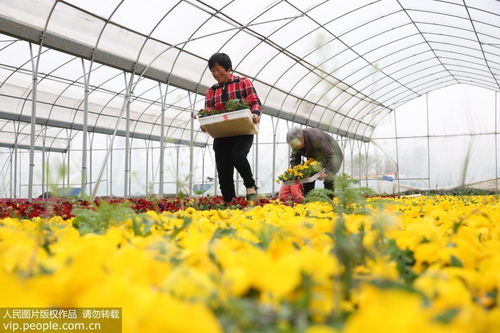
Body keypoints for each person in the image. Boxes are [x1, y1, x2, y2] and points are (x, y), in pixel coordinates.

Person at [205, 53, 262, 202]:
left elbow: (255, 102)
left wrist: (255, 114)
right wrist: (205, 124)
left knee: (237, 155)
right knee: (223, 170)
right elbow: (208, 111)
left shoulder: (243, 82)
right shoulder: (211, 91)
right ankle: (229, 203)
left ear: (228, 68)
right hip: (222, 134)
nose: (216, 74)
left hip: (242, 130)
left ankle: (250, 186)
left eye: (218, 69)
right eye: (213, 71)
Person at [286, 127, 343, 196]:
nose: (293, 147)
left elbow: (331, 155)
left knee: (328, 179)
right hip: (315, 158)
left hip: (333, 156)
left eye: (294, 144)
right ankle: (308, 199)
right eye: (292, 145)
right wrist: (294, 174)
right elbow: (295, 159)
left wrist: (327, 173)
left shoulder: (316, 137)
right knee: (307, 177)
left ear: (302, 139)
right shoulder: (295, 144)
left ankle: (329, 202)